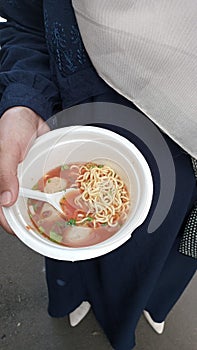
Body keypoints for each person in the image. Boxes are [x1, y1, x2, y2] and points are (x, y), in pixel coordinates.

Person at [0, 1, 196, 349]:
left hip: (189, 169)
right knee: (73, 244)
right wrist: (24, 101)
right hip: (76, 126)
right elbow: (26, 22)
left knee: (162, 260)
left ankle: (148, 306)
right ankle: (75, 296)